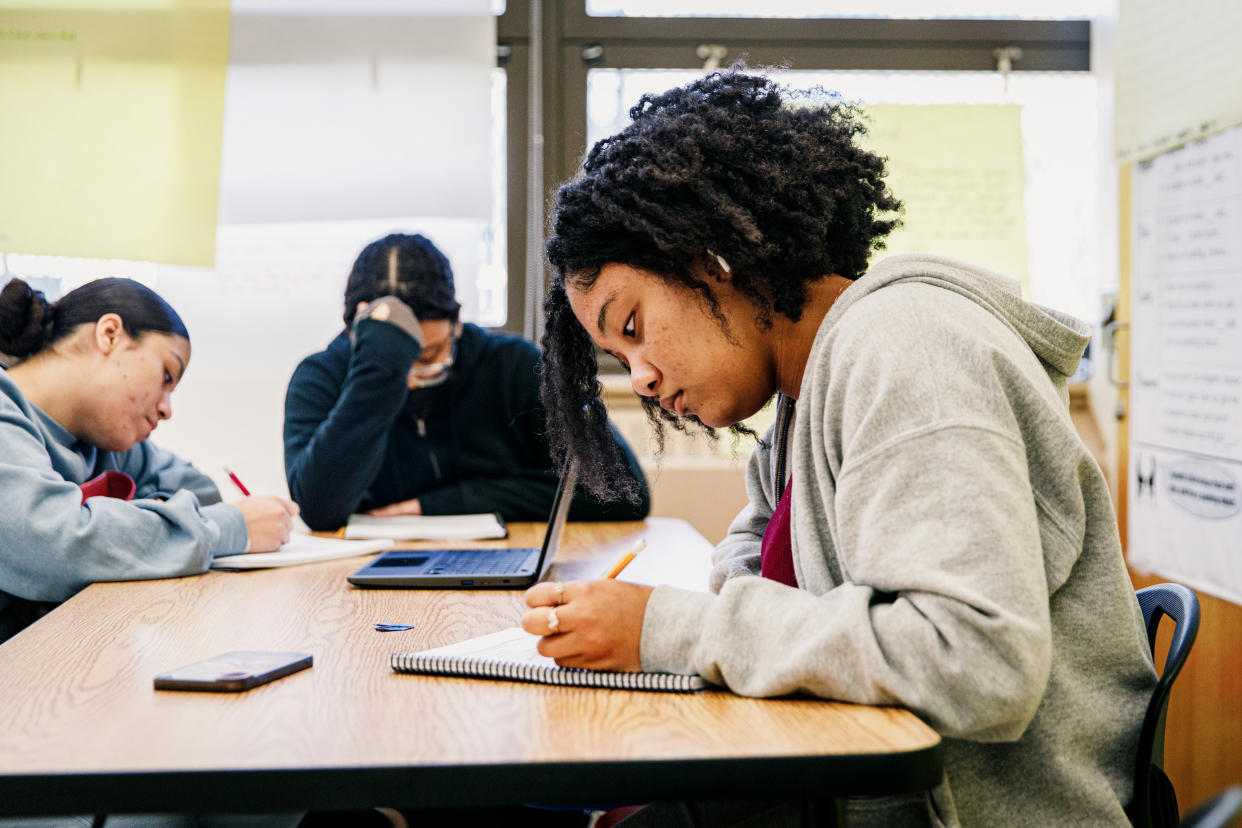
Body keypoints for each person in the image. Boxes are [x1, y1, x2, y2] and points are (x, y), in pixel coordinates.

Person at [520, 71, 1158, 826]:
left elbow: (975, 662)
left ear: (710, 257)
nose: (646, 377)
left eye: (632, 328)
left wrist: (666, 629)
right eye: (621, 363)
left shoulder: (906, 350)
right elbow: (756, 550)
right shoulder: (804, 391)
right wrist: (710, 619)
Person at [0, 277, 299, 645]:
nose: (166, 409)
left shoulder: (104, 445)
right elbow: (54, 543)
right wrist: (225, 529)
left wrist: (130, 523)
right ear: (110, 334)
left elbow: (200, 491)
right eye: (166, 376)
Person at [284, 232, 649, 531]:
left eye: (425, 355)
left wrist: (440, 505)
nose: (410, 377)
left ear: (456, 323)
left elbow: (622, 489)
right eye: (396, 360)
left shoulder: (514, 366)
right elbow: (319, 509)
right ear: (354, 333)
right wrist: (376, 376)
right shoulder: (320, 378)